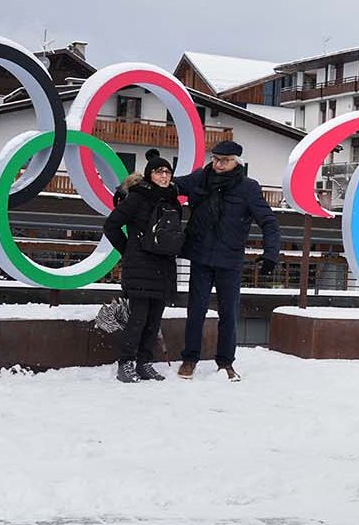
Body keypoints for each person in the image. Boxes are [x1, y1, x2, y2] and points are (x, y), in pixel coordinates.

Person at [175, 140, 280, 382]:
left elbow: (269, 222)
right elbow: (168, 185)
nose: (219, 164)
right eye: (216, 159)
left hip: (230, 260)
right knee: (196, 311)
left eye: (225, 160)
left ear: (236, 162)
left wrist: (270, 253)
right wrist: (130, 186)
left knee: (229, 314)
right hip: (201, 256)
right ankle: (190, 359)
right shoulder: (200, 179)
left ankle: (225, 363)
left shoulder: (248, 188)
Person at [102, 156, 186, 383]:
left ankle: (144, 363)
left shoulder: (173, 201)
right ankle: (126, 364)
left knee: (153, 321)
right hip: (140, 267)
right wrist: (128, 250)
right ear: (150, 174)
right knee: (137, 320)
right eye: (159, 172)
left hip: (163, 268)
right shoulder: (137, 197)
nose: (164, 176)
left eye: (167, 172)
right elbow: (111, 225)